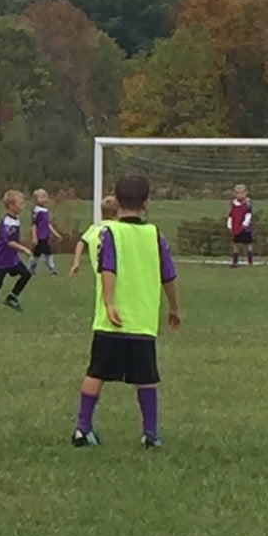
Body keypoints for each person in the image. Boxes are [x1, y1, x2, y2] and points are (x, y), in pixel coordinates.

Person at [72, 174, 180, 449]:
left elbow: (108, 267)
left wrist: (108, 303)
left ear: (117, 201)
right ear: (146, 203)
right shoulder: (155, 235)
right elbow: (168, 275)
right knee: (146, 378)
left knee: (95, 372)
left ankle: (82, 429)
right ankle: (151, 434)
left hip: (111, 321)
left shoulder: (110, 233)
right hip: (141, 321)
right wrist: (174, 308)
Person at [0, 190, 35, 313]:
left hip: (11, 259)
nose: (22, 206)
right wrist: (24, 249)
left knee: (26, 274)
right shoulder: (7, 222)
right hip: (1, 259)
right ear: (11, 205)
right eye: (20, 203)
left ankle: (12, 297)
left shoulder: (15, 219)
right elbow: (9, 242)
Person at [71, 196, 121, 276]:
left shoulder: (94, 228)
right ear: (118, 211)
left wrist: (76, 262)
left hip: (100, 281)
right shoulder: (118, 228)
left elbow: (81, 243)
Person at [28, 189, 63, 275]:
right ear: (36, 199)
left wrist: (56, 234)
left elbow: (48, 224)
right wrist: (34, 237)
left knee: (44, 253)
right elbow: (34, 224)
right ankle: (32, 269)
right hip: (39, 237)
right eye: (41, 197)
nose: (43, 199)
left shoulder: (46, 210)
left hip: (45, 236)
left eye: (44, 197)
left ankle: (49, 269)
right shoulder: (36, 210)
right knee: (40, 254)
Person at [228, 184, 255, 267]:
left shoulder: (247, 202)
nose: (239, 195)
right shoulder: (233, 203)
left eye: (241, 193)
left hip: (245, 228)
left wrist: (245, 224)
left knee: (248, 244)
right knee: (236, 244)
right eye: (237, 193)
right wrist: (230, 225)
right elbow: (231, 215)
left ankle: (250, 262)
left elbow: (249, 214)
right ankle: (234, 262)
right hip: (236, 226)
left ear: (245, 193)